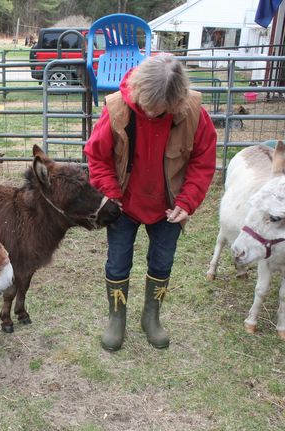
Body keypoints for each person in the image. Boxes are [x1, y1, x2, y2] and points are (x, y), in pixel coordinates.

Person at [84, 54, 217, 351]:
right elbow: (97, 155)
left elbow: (203, 161)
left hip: (169, 207)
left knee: (162, 260)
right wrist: (111, 196)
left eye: (159, 110)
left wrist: (188, 201)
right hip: (124, 205)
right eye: (146, 106)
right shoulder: (118, 107)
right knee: (117, 262)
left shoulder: (193, 113)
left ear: (175, 101)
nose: (150, 112)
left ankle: (151, 317)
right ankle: (116, 319)